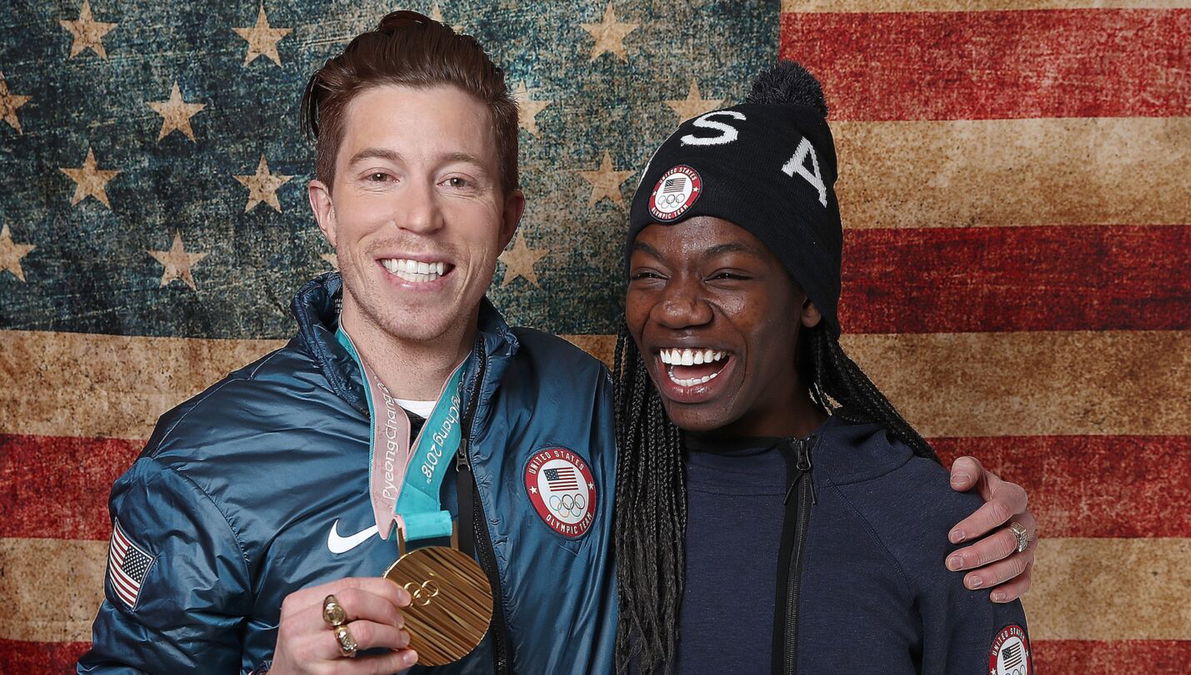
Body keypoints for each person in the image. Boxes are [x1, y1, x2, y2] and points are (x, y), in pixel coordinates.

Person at [79, 14, 1034, 675]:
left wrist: (958, 514)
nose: (419, 218)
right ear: (325, 208)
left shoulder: (590, 400)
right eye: (379, 176)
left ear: (508, 216)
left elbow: (779, 468)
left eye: (458, 181)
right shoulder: (205, 462)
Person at [613, 61, 1034, 674]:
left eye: (727, 274)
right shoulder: (596, 476)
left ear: (808, 297)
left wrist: (988, 524)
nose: (676, 307)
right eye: (648, 274)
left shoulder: (935, 524)